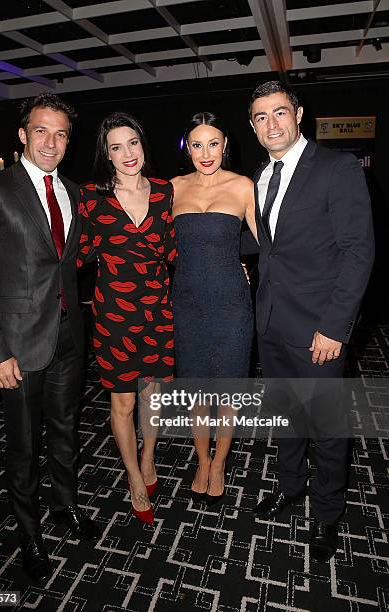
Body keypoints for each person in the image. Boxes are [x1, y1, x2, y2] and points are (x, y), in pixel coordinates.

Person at [0, 93, 100, 582]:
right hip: (17, 345)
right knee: (23, 446)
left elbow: (70, 261)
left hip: (68, 336)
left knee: (65, 432)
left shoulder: (75, 192)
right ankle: (30, 534)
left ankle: (65, 506)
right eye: (41, 130)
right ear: (22, 135)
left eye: (61, 133)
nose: (51, 142)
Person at [247, 81, 374, 561]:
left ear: (298, 113)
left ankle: (326, 515)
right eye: (261, 117)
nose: (271, 124)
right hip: (273, 324)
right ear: (253, 126)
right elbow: (273, 248)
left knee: (326, 427)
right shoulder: (261, 174)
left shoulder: (336, 168)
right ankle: (289, 487)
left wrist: (336, 327)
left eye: (279, 112)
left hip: (320, 329)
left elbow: (357, 253)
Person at [77, 112, 176, 525]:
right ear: (106, 153)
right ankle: (134, 477)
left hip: (157, 310)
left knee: (153, 397)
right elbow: (75, 254)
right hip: (115, 315)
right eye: (115, 146)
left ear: (142, 143)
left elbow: (174, 249)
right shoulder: (90, 196)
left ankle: (148, 457)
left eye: (132, 142)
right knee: (123, 401)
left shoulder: (164, 191)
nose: (126, 153)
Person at [171, 112, 256, 505]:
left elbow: (270, 244)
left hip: (231, 304)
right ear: (188, 147)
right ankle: (201, 460)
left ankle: (219, 462)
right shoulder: (171, 188)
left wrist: (244, 263)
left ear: (226, 144)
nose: (206, 153)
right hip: (186, 303)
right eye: (197, 144)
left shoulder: (242, 186)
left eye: (214, 143)